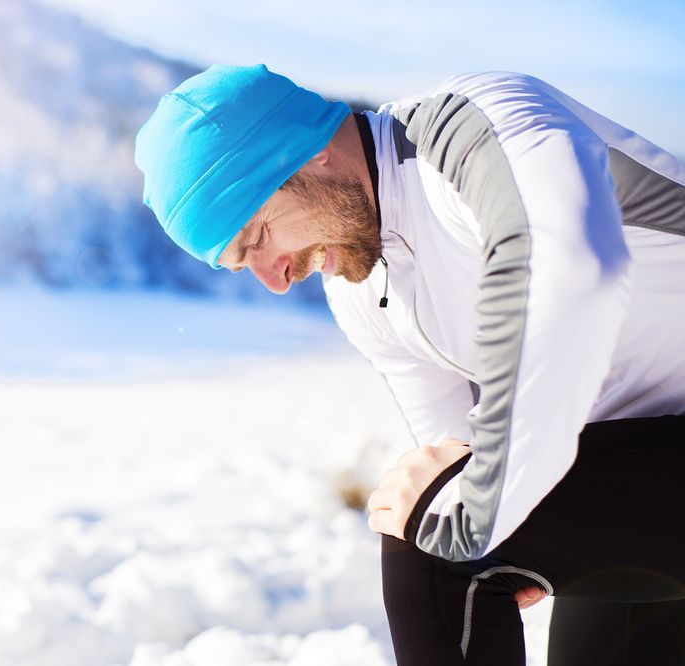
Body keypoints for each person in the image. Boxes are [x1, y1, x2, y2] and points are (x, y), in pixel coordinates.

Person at [134, 64, 685, 665]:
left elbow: (567, 270)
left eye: (258, 235)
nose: (276, 280)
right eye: (242, 264)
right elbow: (453, 450)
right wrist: (498, 531)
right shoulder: (360, 290)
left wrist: (486, 517)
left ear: (307, 151)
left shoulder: (474, 128)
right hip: (644, 472)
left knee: (429, 535)